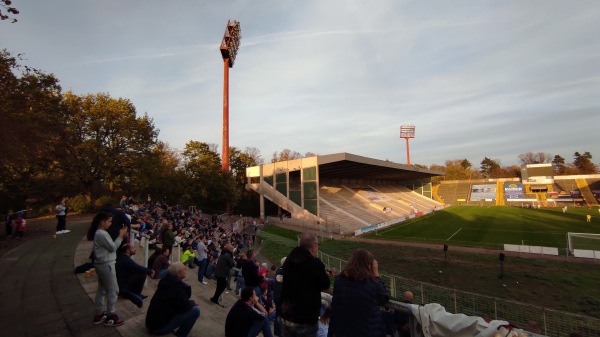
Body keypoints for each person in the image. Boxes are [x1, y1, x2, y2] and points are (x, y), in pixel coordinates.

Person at [328, 249, 389, 337]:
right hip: (367, 332)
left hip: (342, 331)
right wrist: (376, 275)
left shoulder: (340, 280)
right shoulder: (373, 283)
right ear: (370, 265)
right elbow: (384, 299)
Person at [280, 233, 331, 337]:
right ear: (313, 247)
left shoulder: (288, 261)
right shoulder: (315, 263)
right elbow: (325, 285)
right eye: (317, 245)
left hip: (287, 316)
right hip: (306, 319)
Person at [91, 211, 128, 326]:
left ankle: (99, 313)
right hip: (106, 265)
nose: (110, 224)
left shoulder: (100, 233)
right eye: (109, 221)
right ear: (102, 222)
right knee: (113, 290)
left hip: (102, 264)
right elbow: (113, 247)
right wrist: (121, 236)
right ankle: (111, 316)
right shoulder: (102, 234)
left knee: (101, 290)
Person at [146, 262, 201, 337]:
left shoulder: (166, 280)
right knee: (196, 310)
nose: (186, 271)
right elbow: (186, 306)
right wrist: (193, 302)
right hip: (159, 328)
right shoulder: (176, 287)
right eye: (184, 270)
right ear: (178, 274)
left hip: (152, 323)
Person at [116, 243, 154, 308]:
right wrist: (150, 271)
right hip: (122, 285)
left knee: (139, 272)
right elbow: (137, 267)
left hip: (120, 282)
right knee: (142, 274)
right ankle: (137, 294)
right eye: (133, 248)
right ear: (128, 251)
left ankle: (134, 293)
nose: (135, 249)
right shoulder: (126, 260)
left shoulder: (121, 256)